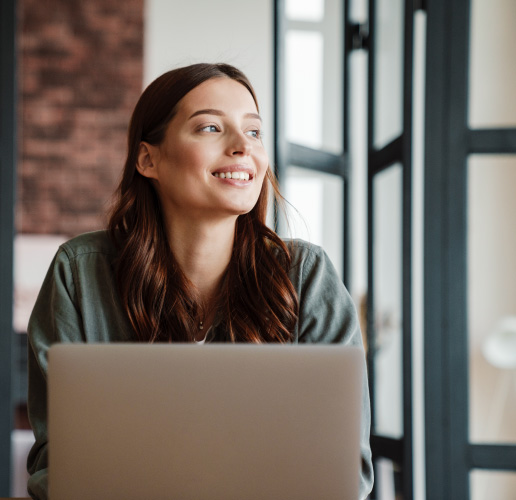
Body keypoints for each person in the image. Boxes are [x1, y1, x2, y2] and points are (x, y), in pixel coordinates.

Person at [26, 62, 374, 499]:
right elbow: (55, 466)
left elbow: (346, 473)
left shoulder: (307, 276)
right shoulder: (79, 273)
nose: (241, 148)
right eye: (211, 128)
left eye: (253, 132)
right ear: (148, 159)